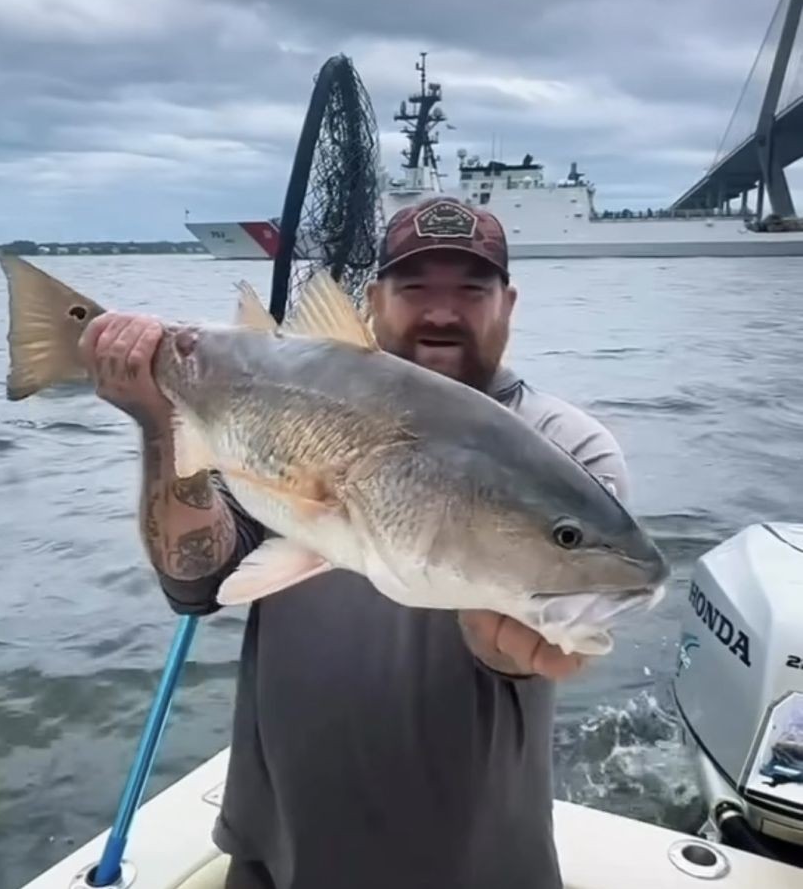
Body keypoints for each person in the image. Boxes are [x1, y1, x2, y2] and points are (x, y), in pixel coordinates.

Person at [78, 196, 632, 889]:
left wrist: (506, 642)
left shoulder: (570, 450)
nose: (441, 311)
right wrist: (160, 422)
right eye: (414, 287)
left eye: (471, 288)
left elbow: (534, 619)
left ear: (509, 303)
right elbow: (197, 577)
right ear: (372, 299)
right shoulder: (284, 393)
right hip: (275, 854)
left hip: (476, 866)